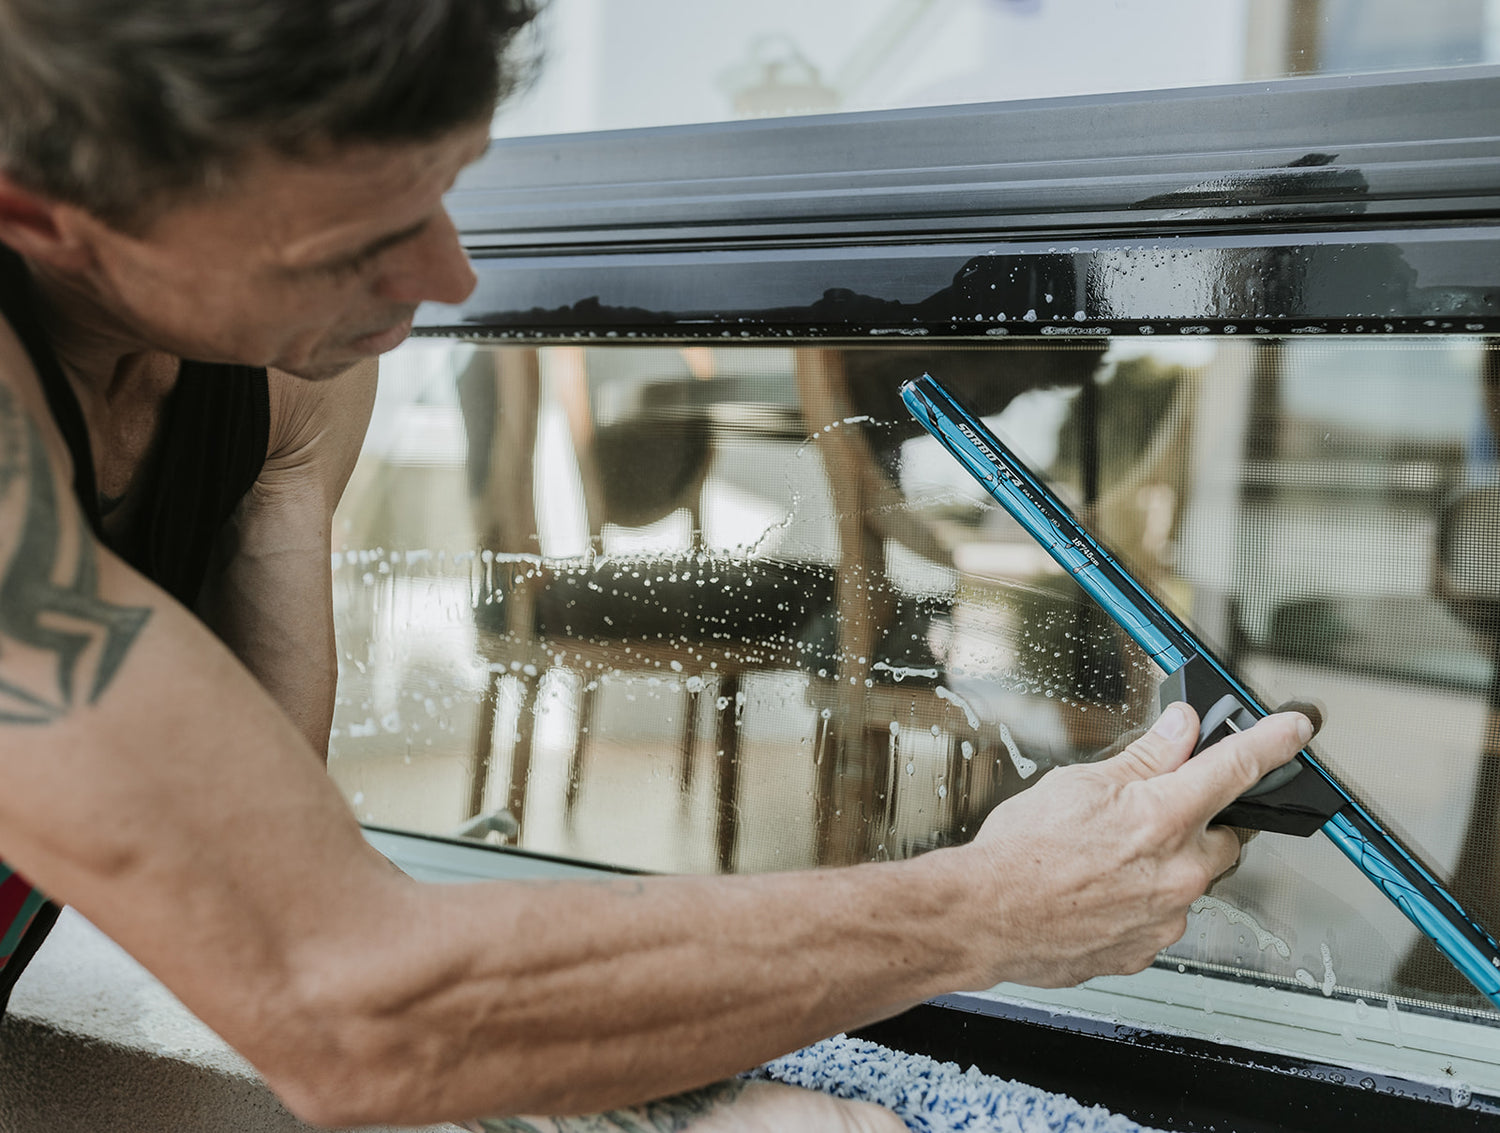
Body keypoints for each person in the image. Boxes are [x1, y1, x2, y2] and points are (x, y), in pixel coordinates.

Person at [0, 2, 1316, 1129]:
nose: (446, 277)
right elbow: (341, 999)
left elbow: (275, 900)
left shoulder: (278, 371)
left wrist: (645, 1098)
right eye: (352, 246)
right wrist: (993, 904)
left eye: (437, 194)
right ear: (43, 218)